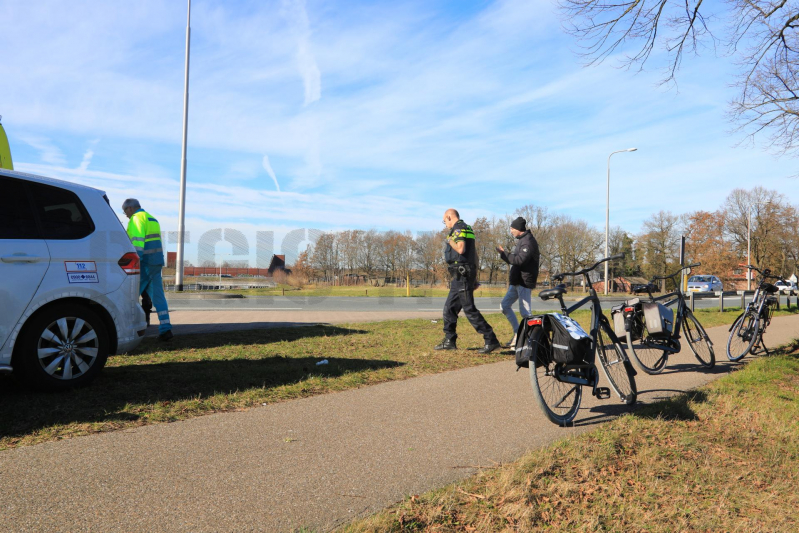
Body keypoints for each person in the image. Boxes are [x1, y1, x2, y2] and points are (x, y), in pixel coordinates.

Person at [435, 209, 501, 353]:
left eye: (444, 221)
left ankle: (491, 339)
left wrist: (449, 240)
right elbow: (475, 255)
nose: (445, 224)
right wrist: (475, 276)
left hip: (462, 274)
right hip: (461, 275)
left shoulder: (458, 229)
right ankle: (449, 340)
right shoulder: (467, 228)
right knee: (450, 308)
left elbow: (460, 249)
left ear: (449, 217)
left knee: (469, 309)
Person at [122, 199, 173, 341]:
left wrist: (133, 262)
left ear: (130, 208)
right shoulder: (152, 219)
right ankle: (166, 329)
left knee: (129, 297)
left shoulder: (136, 219)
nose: (125, 215)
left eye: (125, 211)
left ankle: (125, 331)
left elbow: (137, 244)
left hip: (143, 263)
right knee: (158, 297)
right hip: (156, 263)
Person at [496, 217, 540, 346]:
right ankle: (518, 334)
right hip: (516, 282)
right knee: (504, 306)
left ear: (518, 229)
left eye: (512, 228)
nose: (510, 231)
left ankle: (532, 341)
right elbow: (517, 260)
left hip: (524, 282)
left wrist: (504, 254)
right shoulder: (522, 240)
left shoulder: (528, 242)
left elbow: (519, 260)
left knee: (526, 313)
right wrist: (504, 254)